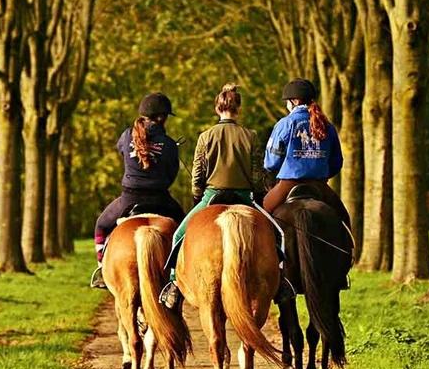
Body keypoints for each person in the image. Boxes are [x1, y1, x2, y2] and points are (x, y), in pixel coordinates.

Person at [158, 83, 290, 308]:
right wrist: (257, 196)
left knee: (179, 236)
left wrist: (197, 196)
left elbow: (198, 172)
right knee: (278, 235)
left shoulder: (206, 136)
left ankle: (173, 284)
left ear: (217, 109)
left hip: (212, 195)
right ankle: (281, 280)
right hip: (243, 196)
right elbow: (257, 172)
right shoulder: (251, 135)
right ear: (238, 109)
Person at [90, 92, 185, 289]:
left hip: (129, 199)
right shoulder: (168, 144)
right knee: (186, 229)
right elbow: (171, 175)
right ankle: (180, 274)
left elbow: (122, 151)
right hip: (161, 200)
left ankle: (101, 268)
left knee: (101, 226)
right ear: (161, 118)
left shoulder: (126, 136)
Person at [263, 78, 351, 230]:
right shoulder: (327, 126)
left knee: (261, 217)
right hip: (319, 184)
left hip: (288, 184)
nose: (286, 105)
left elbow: (271, 162)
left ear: (295, 101)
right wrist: (321, 172)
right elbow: (337, 162)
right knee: (344, 221)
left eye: (287, 101)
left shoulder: (285, 124)